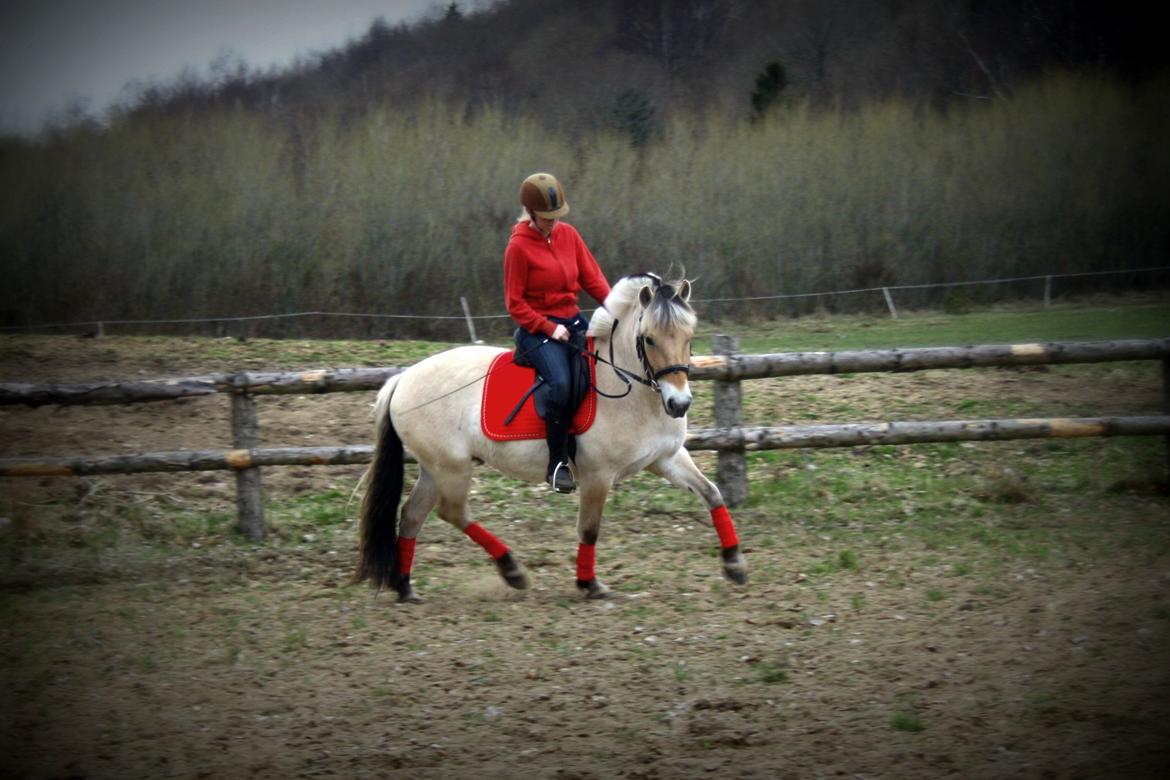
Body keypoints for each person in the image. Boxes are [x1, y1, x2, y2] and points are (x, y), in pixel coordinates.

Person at [504, 172, 611, 494]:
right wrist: (549, 327)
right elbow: (515, 304)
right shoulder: (518, 248)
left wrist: (618, 309)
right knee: (562, 384)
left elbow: (593, 279)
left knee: (602, 371)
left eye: (556, 216)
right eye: (546, 217)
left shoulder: (569, 236)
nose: (553, 222)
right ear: (531, 212)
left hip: (572, 319)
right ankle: (557, 463)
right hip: (537, 330)